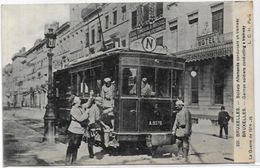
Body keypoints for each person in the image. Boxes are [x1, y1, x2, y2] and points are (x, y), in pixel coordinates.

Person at [65, 96, 91, 165]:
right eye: (79, 99)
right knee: (71, 146)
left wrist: (91, 97)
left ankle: (73, 161)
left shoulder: (80, 107)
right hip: (74, 131)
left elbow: (87, 104)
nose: (80, 100)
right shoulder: (73, 110)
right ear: (75, 101)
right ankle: (67, 162)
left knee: (76, 146)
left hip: (79, 131)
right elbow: (80, 119)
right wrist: (87, 112)